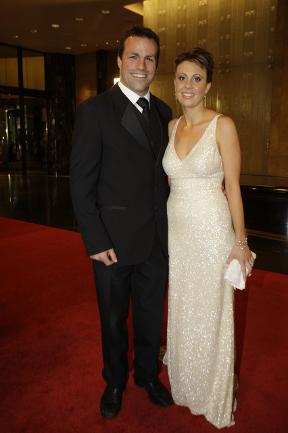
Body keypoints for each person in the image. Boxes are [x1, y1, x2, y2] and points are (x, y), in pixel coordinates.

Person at [70, 26, 173, 419]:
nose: (141, 65)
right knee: (113, 320)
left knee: (149, 315)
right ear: (119, 60)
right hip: (110, 242)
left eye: (149, 58)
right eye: (134, 56)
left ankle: (148, 375)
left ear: (156, 64)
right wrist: (94, 240)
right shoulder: (95, 111)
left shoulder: (163, 112)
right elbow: (81, 183)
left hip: (155, 242)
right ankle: (114, 380)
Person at [162, 47, 255, 428]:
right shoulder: (171, 127)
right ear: (175, 83)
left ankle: (214, 391)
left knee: (213, 312)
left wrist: (241, 241)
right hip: (178, 233)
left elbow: (233, 186)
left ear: (208, 86)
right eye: (182, 77)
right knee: (184, 307)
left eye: (196, 79)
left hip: (212, 231)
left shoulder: (223, 125)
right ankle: (185, 383)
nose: (188, 85)